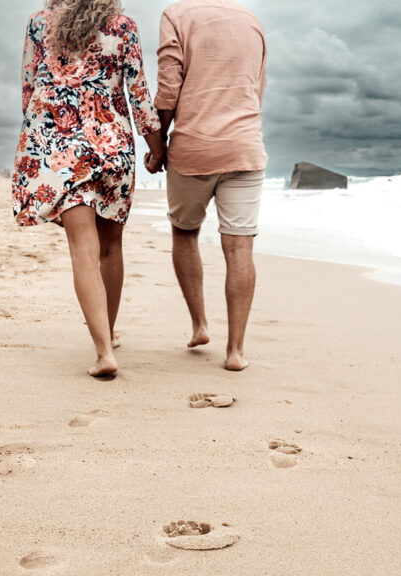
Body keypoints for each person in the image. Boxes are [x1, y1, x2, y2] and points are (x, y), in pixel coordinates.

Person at [12, 0, 166, 377]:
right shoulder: (123, 26)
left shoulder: (39, 23)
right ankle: (109, 333)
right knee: (111, 248)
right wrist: (157, 149)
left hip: (62, 149)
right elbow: (139, 94)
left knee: (84, 249)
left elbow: (29, 87)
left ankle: (103, 353)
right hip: (112, 146)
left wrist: (40, 135)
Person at [153, 0, 267, 371]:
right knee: (239, 247)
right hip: (245, 147)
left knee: (184, 233)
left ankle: (200, 324)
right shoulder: (252, 20)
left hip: (194, 147)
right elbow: (257, 88)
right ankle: (235, 351)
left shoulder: (177, 15)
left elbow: (169, 86)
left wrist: (160, 142)